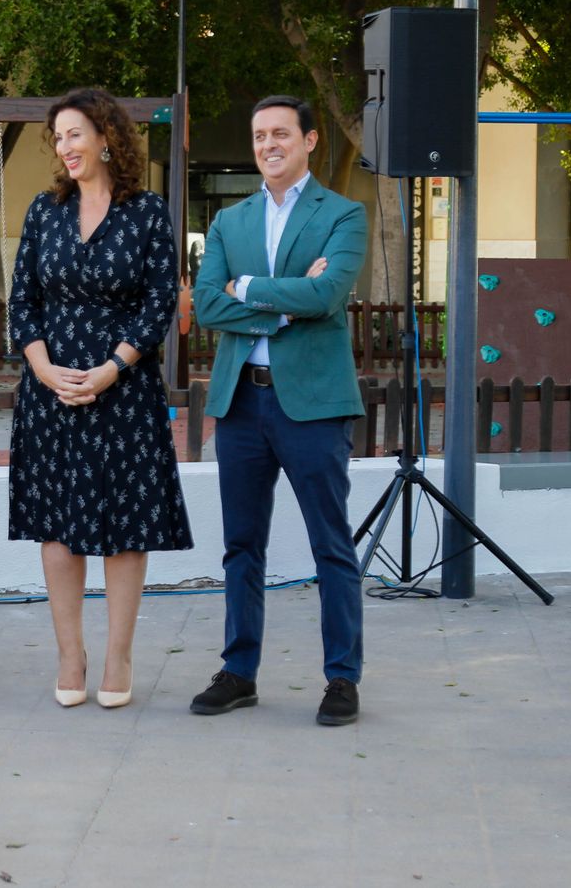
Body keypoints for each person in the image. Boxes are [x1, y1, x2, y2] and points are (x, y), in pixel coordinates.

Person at [7, 86, 193, 709]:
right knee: (56, 529)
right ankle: (71, 655)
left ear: (106, 137)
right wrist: (44, 368)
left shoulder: (146, 212)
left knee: (123, 528)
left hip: (124, 391)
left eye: (75, 134)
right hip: (50, 392)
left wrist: (113, 368)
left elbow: (159, 300)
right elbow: (23, 300)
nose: (65, 146)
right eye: (57, 137)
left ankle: (117, 655)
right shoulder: (43, 210)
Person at [190, 94, 367, 727]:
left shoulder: (343, 215)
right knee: (241, 545)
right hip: (241, 401)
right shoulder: (230, 222)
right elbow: (207, 305)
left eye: (281, 134)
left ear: (310, 141)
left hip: (313, 406)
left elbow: (328, 292)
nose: (269, 145)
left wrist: (251, 289)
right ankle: (239, 672)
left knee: (331, 545)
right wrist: (287, 304)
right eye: (260, 134)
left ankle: (342, 679)